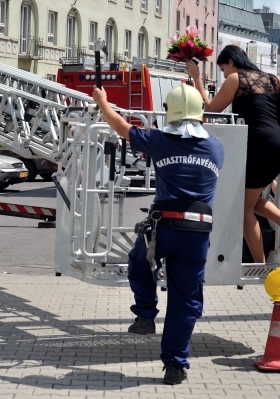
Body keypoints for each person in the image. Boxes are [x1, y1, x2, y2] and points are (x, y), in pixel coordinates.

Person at [92, 83, 225, 386]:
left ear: (171, 114)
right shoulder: (216, 147)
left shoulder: (161, 141)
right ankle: (175, 366)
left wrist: (103, 102)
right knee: (185, 299)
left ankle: (145, 315)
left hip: (163, 227)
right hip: (198, 232)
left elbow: (122, 127)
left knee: (139, 262)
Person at [186, 45, 280, 264]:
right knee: (248, 201)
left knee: (243, 209)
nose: (224, 74)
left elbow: (212, 110)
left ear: (231, 61)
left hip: (260, 145)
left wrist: (197, 79)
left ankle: (260, 264)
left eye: (222, 69)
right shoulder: (273, 79)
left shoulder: (236, 79)